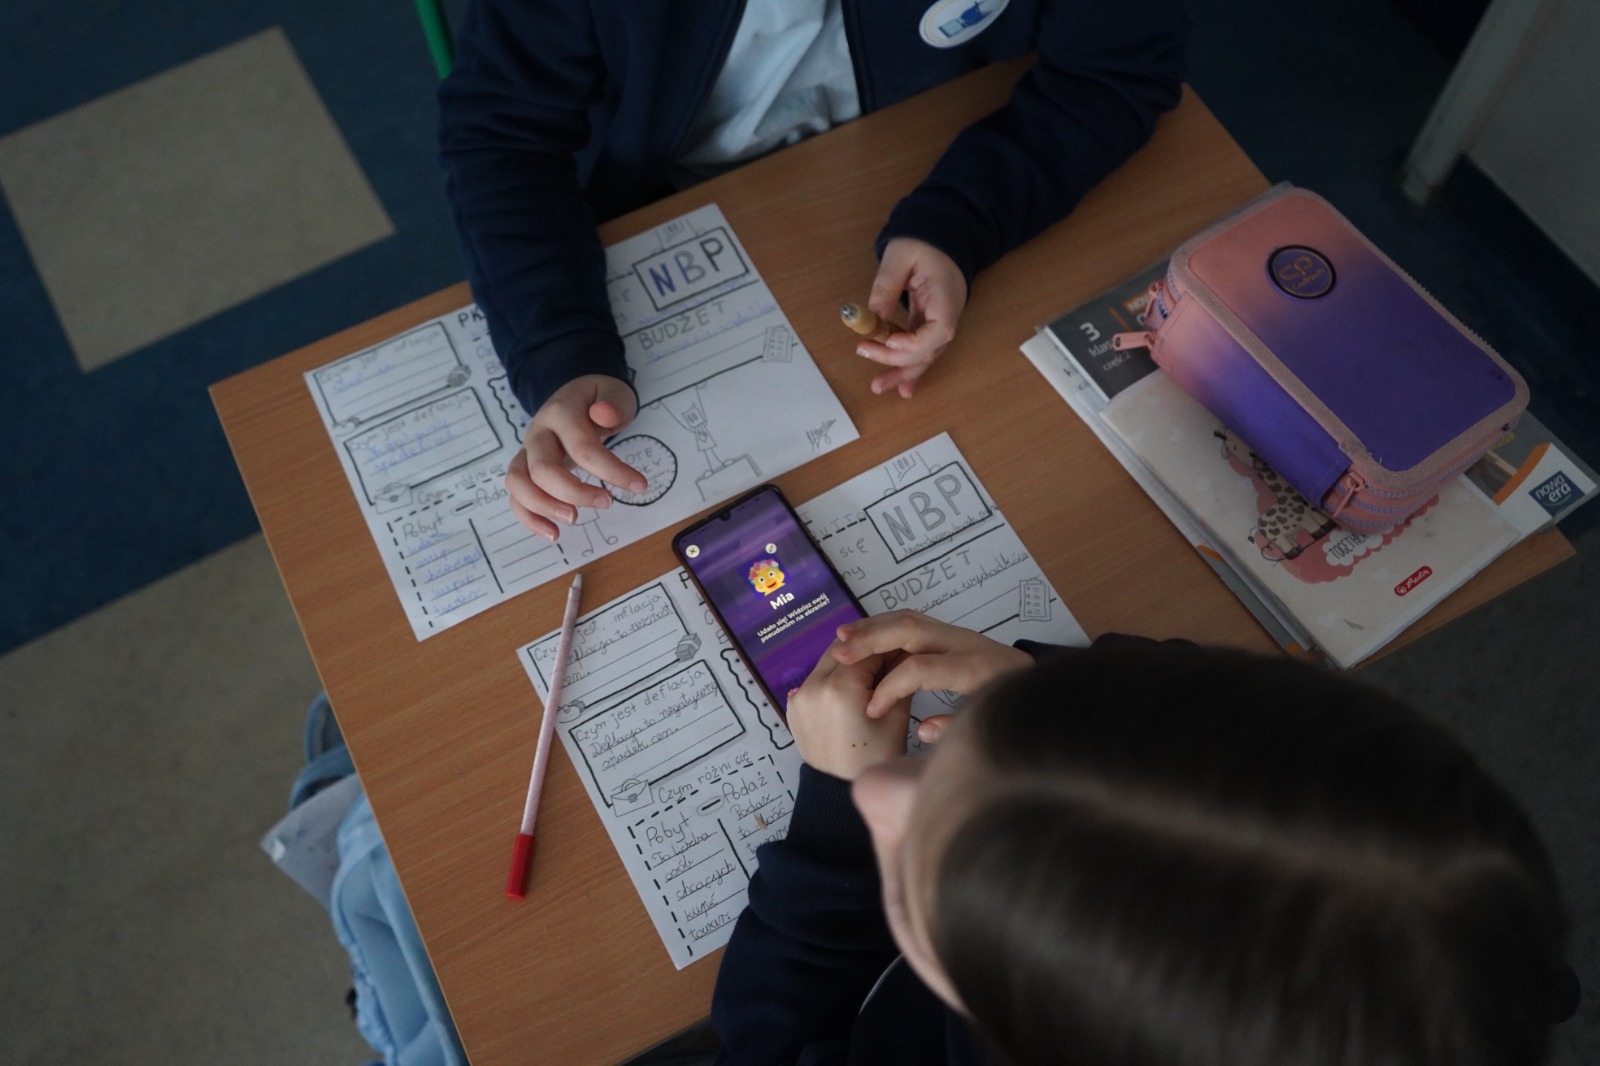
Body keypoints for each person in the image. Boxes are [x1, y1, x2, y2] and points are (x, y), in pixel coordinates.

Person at [438, 1, 1188, 539]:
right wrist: (559, 350)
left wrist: (961, 220)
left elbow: (1116, 71)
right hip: (659, 199)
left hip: (907, 161)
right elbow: (503, 136)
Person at [709, 611, 1577, 1065]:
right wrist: (1058, 697)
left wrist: (833, 823)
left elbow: (766, 1047)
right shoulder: (1464, 959)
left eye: (919, 869)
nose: (880, 790)